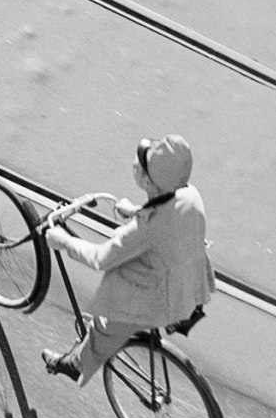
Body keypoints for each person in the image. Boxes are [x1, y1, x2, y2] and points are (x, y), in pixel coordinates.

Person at [41, 134, 215, 385]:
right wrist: (135, 211)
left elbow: (100, 259)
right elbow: (167, 215)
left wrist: (63, 241)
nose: (136, 162)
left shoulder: (145, 229)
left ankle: (74, 365)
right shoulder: (190, 194)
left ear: (148, 181)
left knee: (105, 324)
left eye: (142, 164)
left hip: (159, 299)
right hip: (190, 285)